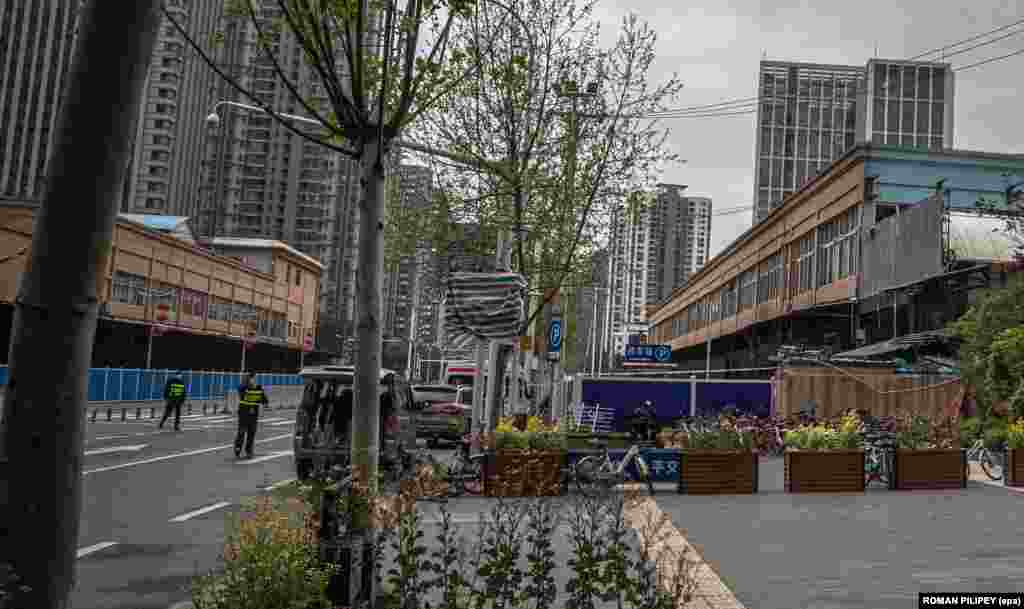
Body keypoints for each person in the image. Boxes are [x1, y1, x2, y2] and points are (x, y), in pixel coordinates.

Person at [235, 371, 268, 459]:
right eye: (251, 378)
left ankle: (249, 450)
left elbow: (264, 400)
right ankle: (238, 448)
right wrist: (249, 386)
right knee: (241, 432)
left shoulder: (259, 388)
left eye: (254, 378)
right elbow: (241, 393)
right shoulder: (243, 388)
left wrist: (265, 403)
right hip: (243, 413)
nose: (253, 380)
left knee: (251, 433)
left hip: (254, 414)